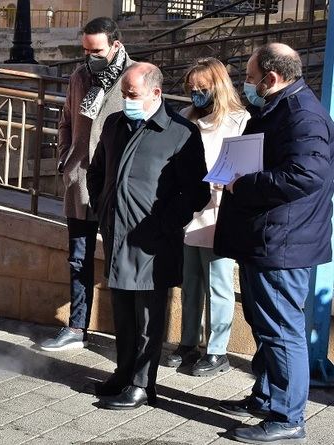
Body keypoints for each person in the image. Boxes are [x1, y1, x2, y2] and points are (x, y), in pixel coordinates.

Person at [214, 43, 334, 444]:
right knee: (267, 326)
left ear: (272, 77)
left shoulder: (303, 116)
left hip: (283, 242)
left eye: (249, 78)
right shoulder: (278, 107)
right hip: (266, 236)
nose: (245, 86)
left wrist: (242, 183)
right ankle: (266, 397)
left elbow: (306, 175)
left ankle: (287, 418)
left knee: (282, 330)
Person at [87, 62, 210, 410]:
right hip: (116, 234)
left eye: (132, 94)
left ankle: (143, 384)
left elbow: (196, 192)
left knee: (148, 318)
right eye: (124, 93)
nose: (125, 100)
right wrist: (103, 208)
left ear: (156, 93)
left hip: (153, 240)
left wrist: (164, 222)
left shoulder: (181, 132)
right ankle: (123, 374)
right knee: (122, 312)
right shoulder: (115, 123)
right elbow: (96, 172)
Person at [38, 17, 134, 352]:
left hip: (115, 186)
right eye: (85, 50)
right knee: (78, 259)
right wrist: (66, 158)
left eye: (96, 50)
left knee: (118, 262)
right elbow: (65, 121)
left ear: (116, 45)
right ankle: (77, 329)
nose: (89, 56)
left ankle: (127, 335)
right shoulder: (79, 76)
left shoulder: (134, 76)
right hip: (80, 181)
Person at [162, 58, 250, 376]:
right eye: (192, 88)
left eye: (203, 88)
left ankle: (217, 350)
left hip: (219, 212)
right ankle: (188, 343)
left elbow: (247, 165)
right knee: (191, 282)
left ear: (218, 86)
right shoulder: (186, 116)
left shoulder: (240, 120)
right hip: (189, 211)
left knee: (219, 283)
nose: (197, 93)